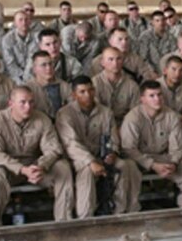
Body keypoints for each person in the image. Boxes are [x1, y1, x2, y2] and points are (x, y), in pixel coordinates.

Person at [0, 86, 74, 227]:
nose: (28, 107)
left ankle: (63, 223)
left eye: (31, 102)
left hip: (35, 169)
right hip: (9, 169)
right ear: (11, 104)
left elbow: (53, 148)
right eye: (23, 102)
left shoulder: (42, 119)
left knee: (63, 167)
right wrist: (21, 169)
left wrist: (41, 166)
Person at [56, 76, 141, 218]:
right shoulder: (64, 114)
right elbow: (71, 144)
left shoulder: (105, 112)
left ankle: (122, 212)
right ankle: (85, 217)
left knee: (125, 165)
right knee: (87, 172)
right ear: (74, 95)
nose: (87, 95)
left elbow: (113, 136)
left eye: (90, 90)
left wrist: (112, 152)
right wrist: (90, 162)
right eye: (82, 92)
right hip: (78, 159)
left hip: (101, 156)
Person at [120, 81, 182, 208]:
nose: (157, 99)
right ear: (143, 99)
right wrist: (152, 165)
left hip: (164, 157)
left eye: (159, 95)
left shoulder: (172, 116)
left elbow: (178, 147)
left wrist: (173, 163)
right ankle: (131, 210)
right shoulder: (133, 118)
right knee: (128, 166)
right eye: (151, 96)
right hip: (140, 159)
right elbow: (129, 149)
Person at [24, 50, 71, 119]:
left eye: (50, 64)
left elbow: (73, 108)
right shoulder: (28, 89)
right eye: (44, 65)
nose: (48, 68)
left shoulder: (63, 86)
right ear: (34, 69)